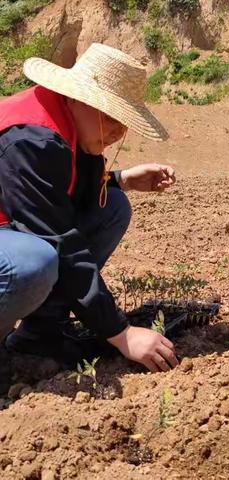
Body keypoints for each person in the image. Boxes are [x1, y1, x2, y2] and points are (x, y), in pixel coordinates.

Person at [0, 43, 178, 373]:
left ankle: (41, 335)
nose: (118, 132)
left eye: (124, 122)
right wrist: (121, 334)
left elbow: (57, 193)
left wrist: (121, 179)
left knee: (112, 206)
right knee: (30, 262)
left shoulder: (65, 124)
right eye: (112, 117)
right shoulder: (32, 138)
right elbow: (59, 239)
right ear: (79, 99)